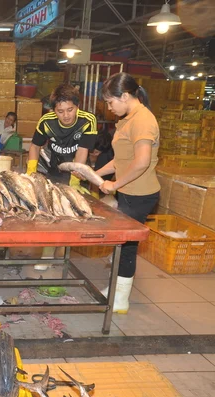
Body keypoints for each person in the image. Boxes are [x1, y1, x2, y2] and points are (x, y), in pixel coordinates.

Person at [94, 72, 160, 314]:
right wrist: (96, 173)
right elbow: (120, 159)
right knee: (122, 243)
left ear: (125, 96)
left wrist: (115, 184)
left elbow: (141, 162)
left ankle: (120, 299)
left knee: (126, 246)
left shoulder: (143, 120)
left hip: (140, 194)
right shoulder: (128, 119)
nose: (109, 108)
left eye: (111, 102)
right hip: (128, 190)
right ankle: (117, 292)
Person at [26, 84, 98, 271]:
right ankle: (47, 255)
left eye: (70, 110)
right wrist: (30, 172)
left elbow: (83, 151)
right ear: (53, 110)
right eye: (60, 111)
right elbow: (35, 147)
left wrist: (74, 181)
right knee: (50, 210)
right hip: (51, 167)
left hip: (76, 166)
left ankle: (64, 253)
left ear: (77, 106)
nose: (66, 115)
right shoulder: (46, 121)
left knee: (70, 212)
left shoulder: (87, 121)